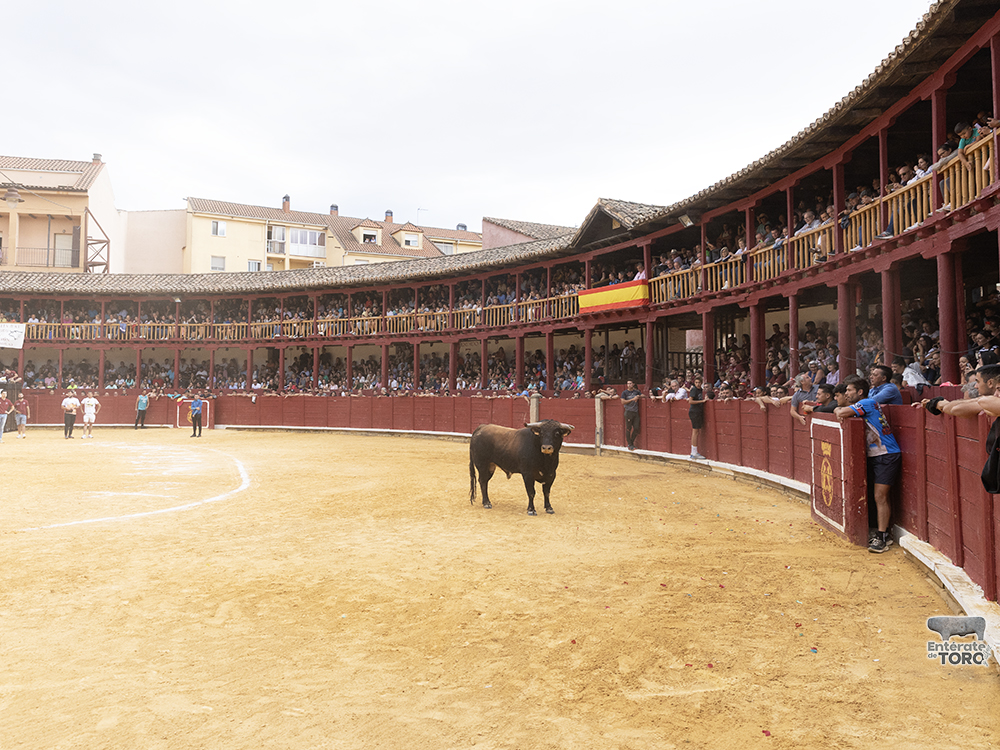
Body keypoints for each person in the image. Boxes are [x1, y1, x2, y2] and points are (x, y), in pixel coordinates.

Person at [834, 376, 901, 554]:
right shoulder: (867, 404)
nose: (846, 393)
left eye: (849, 390)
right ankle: (877, 530)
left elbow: (841, 412)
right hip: (877, 454)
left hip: (886, 455)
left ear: (860, 392)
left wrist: (839, 409)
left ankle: (882, 537)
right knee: (875, 495)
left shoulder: (867, 403)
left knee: (880, 496)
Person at [688, 374, 708, 460]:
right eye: (696, 382)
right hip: (694, 412)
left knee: (696, 431)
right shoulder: (694, 390)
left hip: (696, 412)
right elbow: (690, 401)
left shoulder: (700, 390)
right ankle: (694, 452)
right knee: (695, 432)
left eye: (699, 382)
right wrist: (702, 401)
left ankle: (694, 452)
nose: (698, 384)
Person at [621, 379, 642, 451]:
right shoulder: (624, 393)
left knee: (636, 428)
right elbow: (623, 402)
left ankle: (631, 443)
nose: (629, 385)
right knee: (628, 428)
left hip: (635, 412)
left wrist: (639, 397)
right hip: (628, 412)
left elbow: (644, 396)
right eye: (628, 383)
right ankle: (630, 444)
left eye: (630, 383)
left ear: (633, 384)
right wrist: (633, 399)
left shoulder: (636, 392)